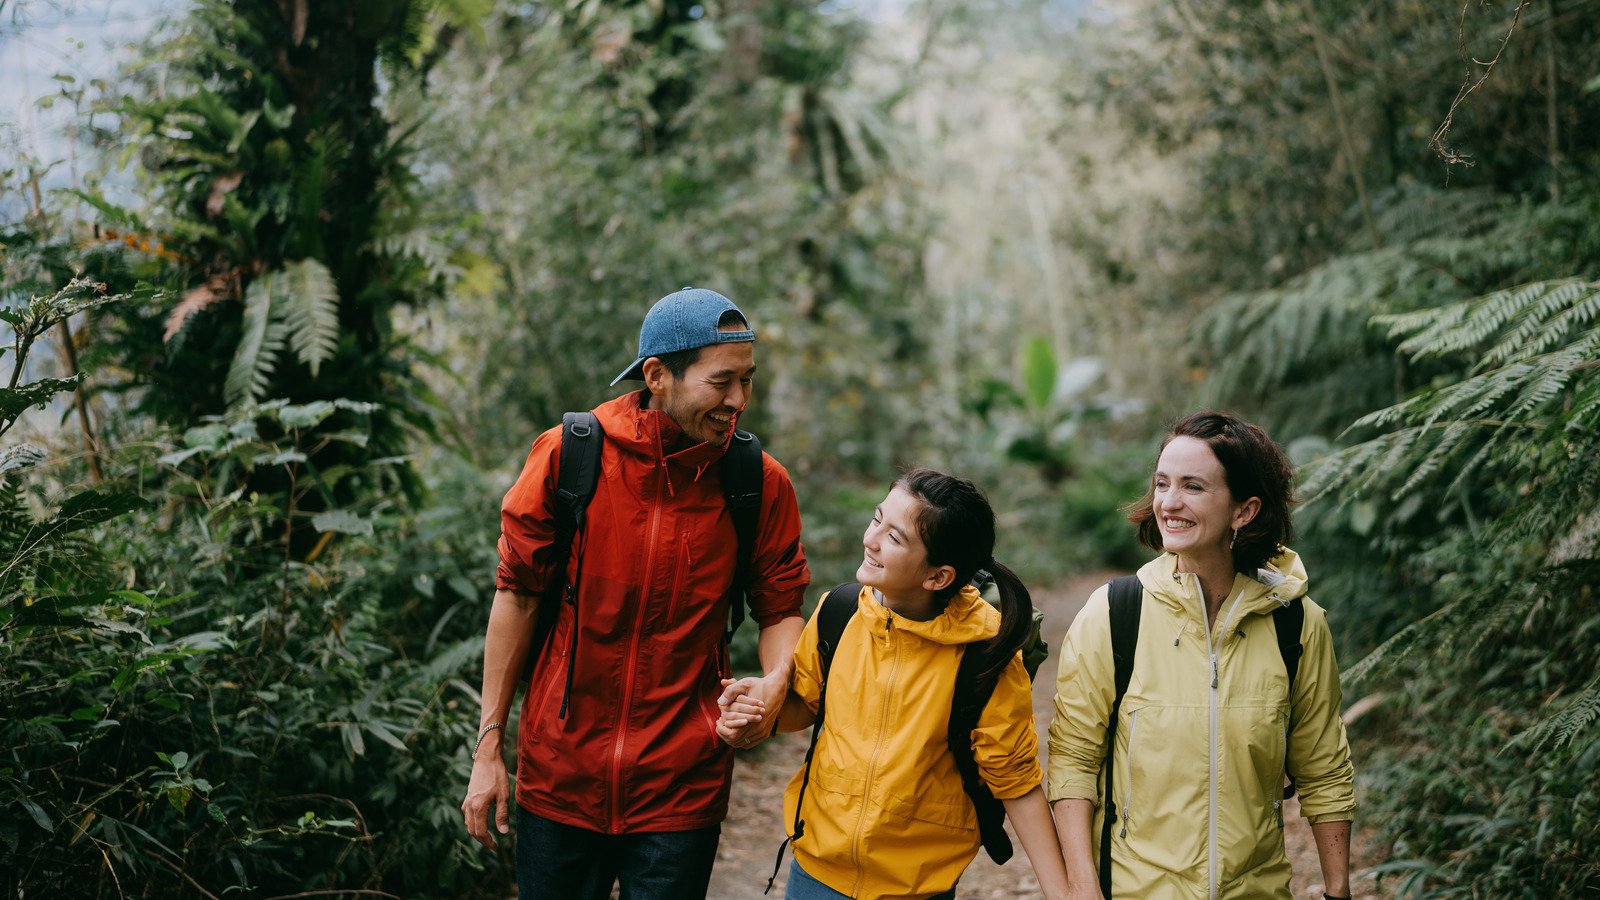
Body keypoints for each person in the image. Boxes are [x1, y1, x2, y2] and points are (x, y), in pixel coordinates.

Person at [460, 287, 811, 900]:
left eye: (748, 381)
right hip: (559, 778)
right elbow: (516, 597)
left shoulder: (757, 481)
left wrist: (776, 686)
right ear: (657, 376)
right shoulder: (570, 456)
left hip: (683, 786)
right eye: (722, 381)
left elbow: (780, 607)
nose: (739, 401)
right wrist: (489, 746)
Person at [720, 468, 1076, 900]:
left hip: (917, 888)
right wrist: (762, 711)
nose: (871, 539)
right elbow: (807, 705)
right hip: (816, 873)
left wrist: (1064, 892)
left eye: (895, 537)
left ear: (938, 577)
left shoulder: (984, 653)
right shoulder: (840, 612)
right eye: (876, 519)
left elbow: (1015, 781)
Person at [1046, 411, 1355, 900]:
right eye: (1162, 483)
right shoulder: (1115, 613)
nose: (1168, 502)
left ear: (1244, 510)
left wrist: (1338, 888)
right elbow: (1073, 760)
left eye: (1192, 486)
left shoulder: (1296, 624)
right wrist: (1083, 888)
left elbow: (1323, 764)